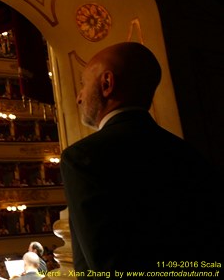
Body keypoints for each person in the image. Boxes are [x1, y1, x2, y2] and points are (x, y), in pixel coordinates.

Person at [61, 42, 224, 276]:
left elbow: (104, 267)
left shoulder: (83, 157)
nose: (78, 97)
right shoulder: (190, 153)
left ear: (107, 84)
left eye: (83, 84)